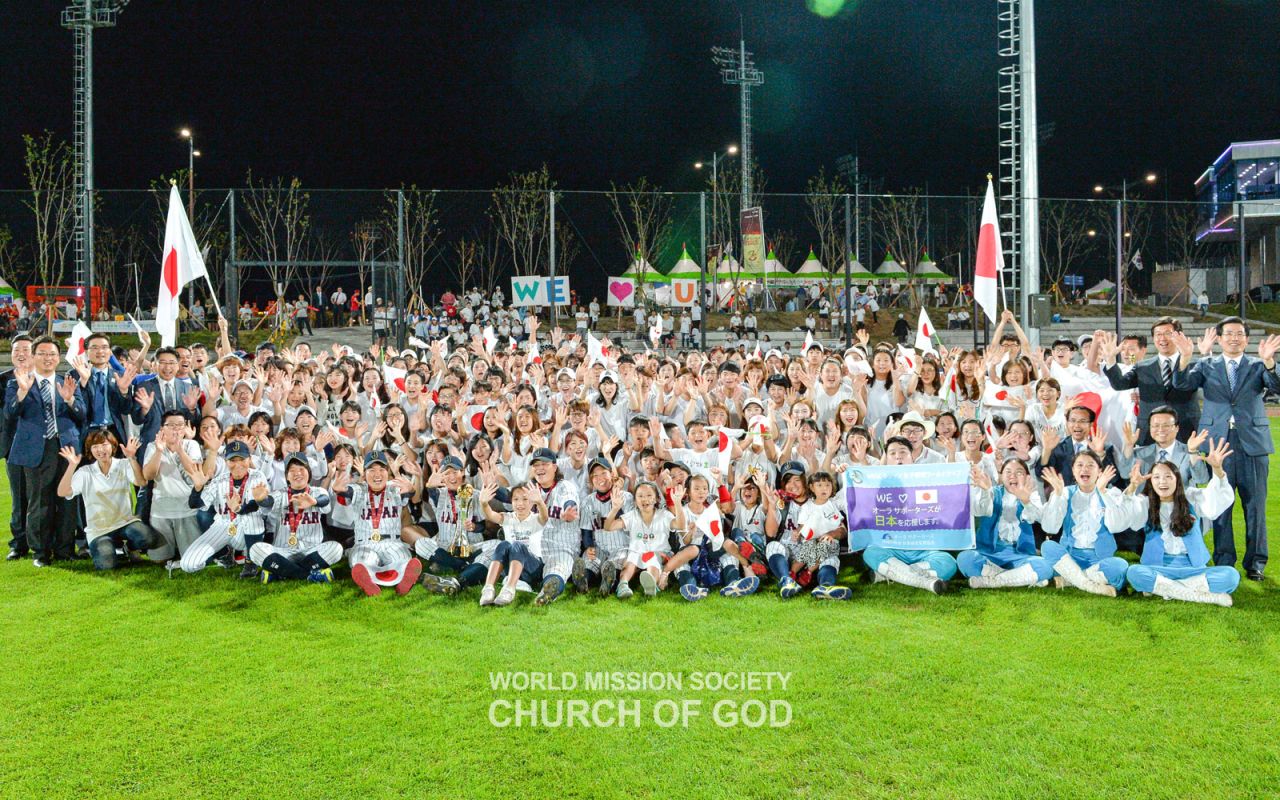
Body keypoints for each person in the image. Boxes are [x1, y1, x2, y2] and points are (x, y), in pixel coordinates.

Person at [1171, 317, 1280, 581]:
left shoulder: (1257, 365)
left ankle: (1255, 563)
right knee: (1220, 505)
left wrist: (1270, 362)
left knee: (1255, 506)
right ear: (1219, 338)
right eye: (1229, 333)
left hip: (1252, 445)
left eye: (1239, 334)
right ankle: (1224, 559)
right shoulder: (1206, 365)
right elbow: (1182, 384)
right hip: (1216, 444)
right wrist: (1185, 357)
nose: (1234, 338)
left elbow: (1277, 386)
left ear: (1247, 339)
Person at [1120, 440, 1239, 606]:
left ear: (1177, 480)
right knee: (1134, 572)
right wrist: (1133, 487)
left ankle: (1164, 589)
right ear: (1150, 482)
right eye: (1157, 477)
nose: (1163, 481)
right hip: (1158, 568)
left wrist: (1218, 470)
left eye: (1168, 476)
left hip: (1193, 569)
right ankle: (1197, 593)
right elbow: (1125, 514)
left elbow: (1216, 502)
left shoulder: (1191, 497)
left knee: (1231, 576)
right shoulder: (1145, 503)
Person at [3, 336, 86, 566]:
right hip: (35, 449)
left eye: (52, 354)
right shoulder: (17, 382)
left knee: (68, 501)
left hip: (66, 448)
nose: (48, 358)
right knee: (39, 502)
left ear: (58, 358)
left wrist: (70, 401)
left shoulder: (67, 381)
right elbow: (10, 415)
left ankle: (65, 549)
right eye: (42, 353)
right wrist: (21, 392)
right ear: (33, 357)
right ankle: (41, 553)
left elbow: (81, 414)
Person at [56, 430, 160, 570]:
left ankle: (128, 547)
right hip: (99, 530)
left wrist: (132, 458)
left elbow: (141, 482)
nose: (100, 450)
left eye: (104, 445)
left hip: (125, 523)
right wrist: (72, 465)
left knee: (148, 538)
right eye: (95, 446)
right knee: (107, 565)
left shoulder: (122, 464)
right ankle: (110, 548)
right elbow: (62, 492)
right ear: (90, 450)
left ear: (113, 446)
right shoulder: (85, 472)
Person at [1038, 453, 1130, 596]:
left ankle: (1069, 580)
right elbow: (1050, 528)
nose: (1084, 469)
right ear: (1073, 471)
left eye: (1090, 465)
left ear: (1099, 471)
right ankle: (1089, 584)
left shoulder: (1111, 494)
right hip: (1068, 558)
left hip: (1099, 559)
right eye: (1080, 465)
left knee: (1120, 566)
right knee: (1047, 546)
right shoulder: (1065, 492)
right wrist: (1057, 495)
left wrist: (1103, 493)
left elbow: (1116, 527)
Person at [1100, 319, 1201, 443]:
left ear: (1179, 336)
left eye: (1168, 333)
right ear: (1153, 338)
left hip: (1186, 429)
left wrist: (1203, 353)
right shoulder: (1142, 367)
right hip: (1149, 432)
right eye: (1158, 334)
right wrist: (1110, 360)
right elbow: (1120, 384)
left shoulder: (1195, 364)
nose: (1162, 338)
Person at [2, 334, 33, 560]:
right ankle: (19, 543)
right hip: (14, 447)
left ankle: (47, 541)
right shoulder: (2, 381)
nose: (20, 354)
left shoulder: (46, 378)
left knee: (45, 497)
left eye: (25, 349)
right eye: (16, 350)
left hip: (44, 446)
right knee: (19, 497)